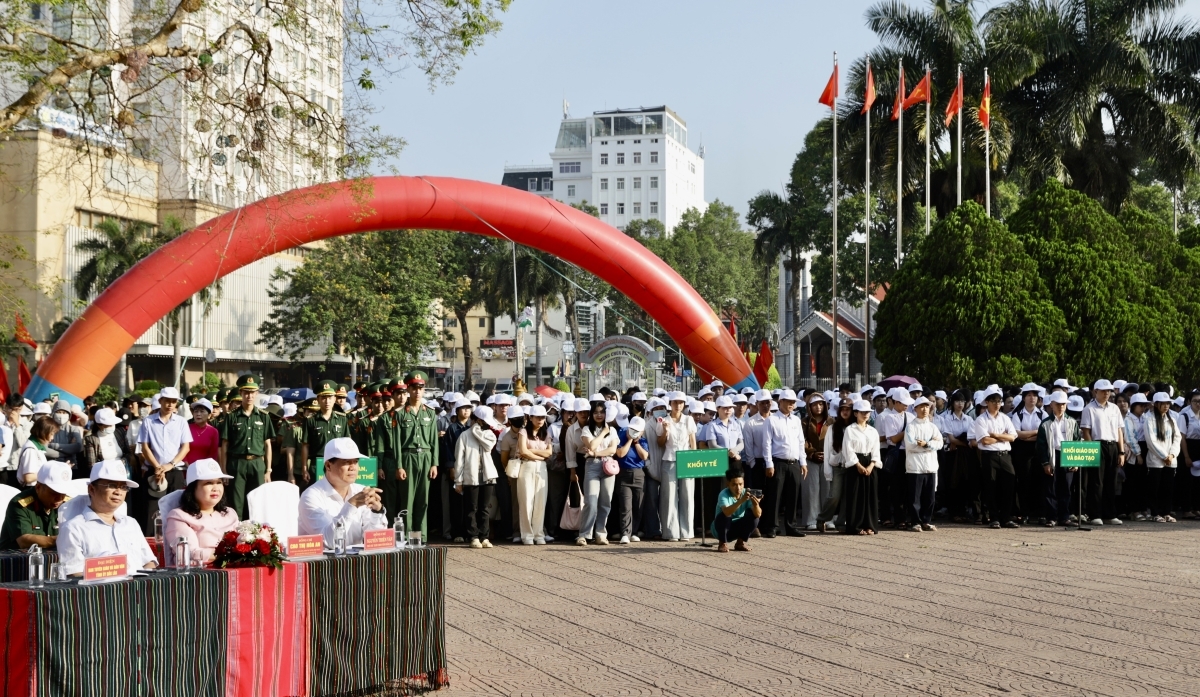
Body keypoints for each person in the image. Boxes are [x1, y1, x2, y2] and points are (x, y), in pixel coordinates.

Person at [57, 459, 158, 576]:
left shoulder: (131, 523)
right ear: (92, 489)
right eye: (112, 485)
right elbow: (74, 573)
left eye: (123, 487)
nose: (118, 492)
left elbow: (149, 562)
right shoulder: (73, 529)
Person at [298, 438, 387, 547]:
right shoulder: (311, 496)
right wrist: (351, 505)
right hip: (324, 563)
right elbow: (329, 542)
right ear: (328, 465)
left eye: (356, 462)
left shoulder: (360, 491)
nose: (353, 467)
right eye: (346, 462)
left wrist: (377, 512)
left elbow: (376, 539)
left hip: (356, 561)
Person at [218, 376, 276, 519]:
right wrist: (224, 470)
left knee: (257, 502)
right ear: (241, 393)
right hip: (237, 463)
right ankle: (236, 534)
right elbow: (224, 445)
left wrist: (268, 470)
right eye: (246, 393)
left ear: (256, 394)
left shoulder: (264, 416)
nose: (249, 396)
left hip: (257, 463)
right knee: (236, 502)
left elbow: (267, 445)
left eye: (252, 392)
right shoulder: (231, 417)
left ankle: (257, 535)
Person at [163, 458, 238, 565]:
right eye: (208, 483)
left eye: (219, 482)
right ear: (193, 488)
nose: (216, 488)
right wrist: (228, 554)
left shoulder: (230, 513)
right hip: (199, 576)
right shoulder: (179, 516)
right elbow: (188, 554)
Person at [396, 371, 439, 542]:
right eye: (414, 388)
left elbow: (434, 439)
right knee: (408, 500)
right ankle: (407, 536)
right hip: (408, 457)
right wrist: (399, 465)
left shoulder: (429, 412)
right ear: (408, 389)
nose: (417, 392)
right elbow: (397, 442)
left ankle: (420, 536)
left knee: (423, 500)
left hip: (426, 457)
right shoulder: (400, 414)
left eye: (420, 388)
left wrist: (435, 463)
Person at [762, 389, 808, 538]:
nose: (791, 404)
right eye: (788, 401)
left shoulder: (796, 420)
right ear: (780, 402)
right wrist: (769, 464)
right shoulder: (772, 420)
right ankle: (772, 526)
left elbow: (801, 442)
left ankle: (791, 526)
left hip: (794, 462)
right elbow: (767, 443)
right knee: (775, 495)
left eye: (793, 402)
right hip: (778, 462)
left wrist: (803, 462)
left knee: (793, 495)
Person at [1079, 379, 1125, 526]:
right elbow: (1086, 431)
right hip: (1096, 444)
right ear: (1095, 391)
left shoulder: (1114, 408)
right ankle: (1095, 514)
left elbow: (1119, 430)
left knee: (1111, 481)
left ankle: (1110, 514)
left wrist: (1121, 451)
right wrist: (1092, 448)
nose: (1107, 393)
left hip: (1112, 446)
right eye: (1103, 391)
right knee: (1096, 482)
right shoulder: (1089, 409)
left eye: (1109, 391)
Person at [654, 391, 698, 542]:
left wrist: (694, 459)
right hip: (670, 459)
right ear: (670, 404)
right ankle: (670, 532)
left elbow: (693, 441)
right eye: (675, 402)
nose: (678, 405)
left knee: (687, 495)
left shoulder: (688, 420)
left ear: (684, 404)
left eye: (680, 402)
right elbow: (660, 443)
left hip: (686, 459)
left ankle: (686, 532)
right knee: (669, 496)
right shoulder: (663, 420)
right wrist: (665, 430)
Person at [455, 406, 500, 548]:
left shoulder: (490, 434)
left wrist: (476, 431)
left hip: (488, 476)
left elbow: (488, 446)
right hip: (470, 476)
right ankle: (473, 536)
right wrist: (458, 480)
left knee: (485, 508)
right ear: (478, 419)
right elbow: (459, 460)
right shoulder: (464, 435)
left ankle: (484, 536)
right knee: (471, 508)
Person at [0, 461, 72, 550]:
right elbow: (24, 541)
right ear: (38, 487)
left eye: (63, 493)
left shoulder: (68, 504)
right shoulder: (20, 505)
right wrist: (63, 540)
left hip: (52, 559)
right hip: (17, 560)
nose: (60, 499)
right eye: (54, 493)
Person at [575, 402, 619, 546]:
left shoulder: (613, 430)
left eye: (602, 412)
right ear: (591, 415)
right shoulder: (587, 429)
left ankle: (601, 533)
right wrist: (603, 433)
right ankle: (584, 534)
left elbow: (612, 450)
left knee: (605, 502)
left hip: (608, 466)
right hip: (592, 467)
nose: (599, 415)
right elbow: (591, 445)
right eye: (596, 412)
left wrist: (595, 453)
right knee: (591, 502)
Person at [974, 386, 1019, 528]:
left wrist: (995, 435)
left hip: (1005, 455)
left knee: (1009, 485)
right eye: (993, 401)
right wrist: (1002, 437)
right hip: (989, 456)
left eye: (999, 401)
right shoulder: (981, 420)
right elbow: (984, 441)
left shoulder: (1005, 418)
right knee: (990, 486)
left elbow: (1012, 437)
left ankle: (1006, 517)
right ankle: (994, 518)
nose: (997, 404)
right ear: (987, 402)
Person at [139, 386, 193, 497]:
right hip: (154, 471)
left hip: (175, 471)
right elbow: (145, 447)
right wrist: (157, 467)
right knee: (153, 510)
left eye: (173, 402)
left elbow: (186, 447)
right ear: (160, 401)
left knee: (176, 508)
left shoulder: (181, 422)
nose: (170, 405)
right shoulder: (148, 421)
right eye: (167, 401)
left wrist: (170, 464)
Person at [299, 379, 350, 491]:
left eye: (330, 397)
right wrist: (304, 468)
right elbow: (305, 445)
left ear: (335, 399)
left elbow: (347, 443)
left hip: (337, 463)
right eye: (323, 398)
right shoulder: (310, 420)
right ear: (318, 399)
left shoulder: (342, 419)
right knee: (318, 495)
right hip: (317, 464)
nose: (327, 401)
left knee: (337, 494)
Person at [840, 400, 882, 535]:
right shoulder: (850, 430)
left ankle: (870, 525)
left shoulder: (873, 431)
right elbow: (848, 449)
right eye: (862, 412)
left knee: (871, 496)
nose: (865, 415)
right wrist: (857, 464)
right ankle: (856, 527)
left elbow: (876, 450)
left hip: (870, 463)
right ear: (856, 413)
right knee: (855, 496)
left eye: (868, 412)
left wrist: (871, 465)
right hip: (855, 464)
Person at [904, 397, 943, 531]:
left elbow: (940, 443)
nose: (924, 409)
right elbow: (911, 445)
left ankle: (926, 520)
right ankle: (915, 521)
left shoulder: (933, 427)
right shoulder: (911, 426)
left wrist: (926, 444)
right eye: (921, 407)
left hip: (930, 465)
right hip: (915, 466)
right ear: (915, 409)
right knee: (915, 497)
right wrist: (928, 444)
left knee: (930, 496)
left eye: (927, 406)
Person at [515, 405, 552, 545]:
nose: (540, 420)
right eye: (538, 417)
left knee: (540, 502)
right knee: (526, 501)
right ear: (530, 418)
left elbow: (549, 452)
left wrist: (534, 453)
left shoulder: (546, 433)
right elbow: (523, 451)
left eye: (543, 417)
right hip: (527, 466)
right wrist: (539, 455)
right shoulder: (523, 432)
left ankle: (538, 533)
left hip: (541, 468)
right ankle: (527, 534)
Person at [1009, 383, 1046, 523]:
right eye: (1029, 395)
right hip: (1022, 451)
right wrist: (1037, 432)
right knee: (1024, 481)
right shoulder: (1017, 414)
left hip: (1038, 450)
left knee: (1040, 481)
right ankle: (1024, 513)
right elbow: (1018, 434)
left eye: (1035, 395)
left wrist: (1029, 435)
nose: (1032, 398)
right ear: (1024, 398)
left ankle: (1040, 513)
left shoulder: (1043, 414)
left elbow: (1045, 434)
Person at [1144, 393, 1182, 523]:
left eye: (1168, 403)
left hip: (1170, 460)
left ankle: (1166, 512)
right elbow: (1151, 441)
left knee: (1168, 487)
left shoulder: (1171, 419)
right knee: (1155, 487)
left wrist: (1172, 455)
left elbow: (1177, 438)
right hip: (1156, 460)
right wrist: (1164, 456)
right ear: (1155, 404)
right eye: (1163, 403)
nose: (1166, 406)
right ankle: (1155, 512)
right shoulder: (1149, 419)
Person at [816, 398, 853, 532]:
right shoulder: (833, 428)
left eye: (847, 409)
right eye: (842, 409)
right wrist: (828, 470)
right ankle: (822, 518)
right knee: (834, 496)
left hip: (851, 466)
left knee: (847, 497)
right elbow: (827, 450)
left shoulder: (854, 427)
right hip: (837, 466)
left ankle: (841, 522)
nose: (845, 412)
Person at [615, 415, 649, 545]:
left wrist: (637, 442)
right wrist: (629, 440)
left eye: (638, 430)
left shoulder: (643, 441)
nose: (635, 432)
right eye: (632, 429)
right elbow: (620, 454)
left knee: (638, 505)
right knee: (625, 505)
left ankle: (634, 532)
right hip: (624, 474)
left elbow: (644, 456)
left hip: (639, 475)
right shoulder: (622, 435)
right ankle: (625, 533)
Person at [712, 468, 761, 553]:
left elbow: (758, 514)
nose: (738, 488)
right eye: (734, 485)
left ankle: (740, 543)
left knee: (754, 517)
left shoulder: (746, 493)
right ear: (728, 484)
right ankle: (722, 543)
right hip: (720, 529)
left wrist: (756, 504)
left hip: (737, 527)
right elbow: (727, 512)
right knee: (726, 515)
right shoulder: (723, 494)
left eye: (740, 484)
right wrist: (741, 500)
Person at [800, 393, 829, 532]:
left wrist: (827, 453)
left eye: (821, 404)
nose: (818, 407)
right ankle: (811, 519)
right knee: (811, 490)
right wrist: (811, 453)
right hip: (810, 458)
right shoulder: (804, 422)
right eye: (815, 404)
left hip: (827, 459)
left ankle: (827, 519)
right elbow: (802, 440)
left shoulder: (831, 421)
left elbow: (835, 440)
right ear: (809, 406)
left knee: (827, 490)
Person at [1174, 390, 1200, 519]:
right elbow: (1182, 437)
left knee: (1198, 481)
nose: (1198, 404)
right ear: (1190, 402)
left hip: (1199, 447)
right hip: (1188, 447)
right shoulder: (1184, 415)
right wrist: (1186, 456)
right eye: (1195, 401)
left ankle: (1196, 507)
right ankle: (1186, 508)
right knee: (1186, 481)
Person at [17, 415, 58, 485]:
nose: (52, 438)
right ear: (43, 432)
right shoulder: (31, 450)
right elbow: (28, 477)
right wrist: (50, 472)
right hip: (30, 490)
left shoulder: (36, 447)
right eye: (51, 434)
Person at [47, 400, 84, 474]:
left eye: (64, 413)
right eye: (59, 412)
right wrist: (69, 450)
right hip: (51, 468)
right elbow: (44, 450)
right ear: (53, 413)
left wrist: (52, 445)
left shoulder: (73, 429)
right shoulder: (47, 429)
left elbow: (77, 447)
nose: (61, 415)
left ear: (69, 415)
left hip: (71, 467)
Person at [186, 398, 221, 464]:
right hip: (186, 467)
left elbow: (213, 454)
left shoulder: (213, 431)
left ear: (209, 415)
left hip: (205, 469)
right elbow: (182, 448)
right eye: (196, 411)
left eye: (202, 411)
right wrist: (186, 463)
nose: (198, 414)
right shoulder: (186, 428)